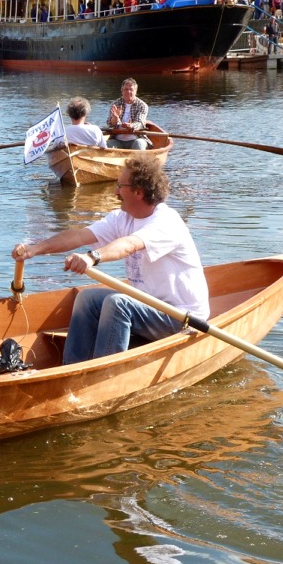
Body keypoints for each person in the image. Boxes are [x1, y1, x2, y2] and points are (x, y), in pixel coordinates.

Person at [11, 155, 209, 365]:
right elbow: (78, 236)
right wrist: (35, 249)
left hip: (181, 317)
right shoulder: (122, 218)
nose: (115, 192)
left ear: (138, 192)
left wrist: (92, 257)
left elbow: (129, 244)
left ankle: (103, 373)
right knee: (87, 299)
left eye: (120, 186)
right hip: (150, 307)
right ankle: (72, 368)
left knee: (118, 304)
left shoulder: (166, 222)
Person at [106, 78, 149, 150]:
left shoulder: (142, 105)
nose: (128, 92)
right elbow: (111, 124)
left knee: (139, 144)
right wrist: (115, 118)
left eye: (131, 89)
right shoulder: (116, 103)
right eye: (126, 89)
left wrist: (131, 126)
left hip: (136, 139)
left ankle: (137, 161)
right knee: (107, 145)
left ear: (135, 91)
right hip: (117, 140)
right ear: (122, 91)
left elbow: (140, 122)